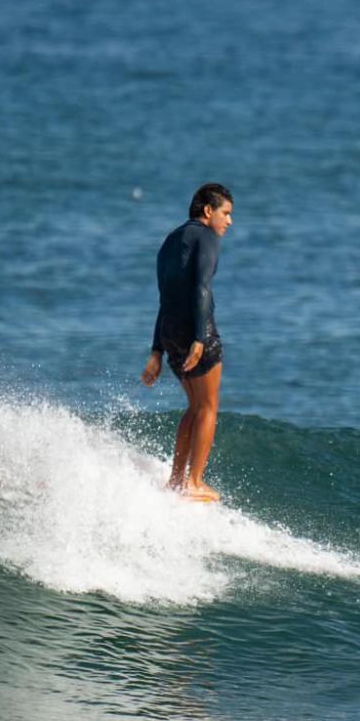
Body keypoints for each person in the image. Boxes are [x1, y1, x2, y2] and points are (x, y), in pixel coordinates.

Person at [141, 184, 234, 501]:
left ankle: (177, 480)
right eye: (225, 213)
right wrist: (200, 337)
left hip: (170, 333)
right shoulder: (206, 237)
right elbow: (202, 287)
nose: (229, 221)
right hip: (195, 331)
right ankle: (194, 483)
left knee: (195, 407)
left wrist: (156, 351)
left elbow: (165, 299)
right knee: (208, 407)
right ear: (208, 210)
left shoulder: (169, 242)